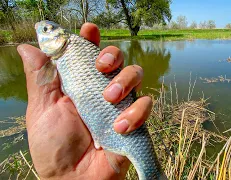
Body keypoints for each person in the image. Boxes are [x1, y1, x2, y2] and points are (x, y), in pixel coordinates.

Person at [17, 23, 152, 179]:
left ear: (62, 38)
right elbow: (42, 80)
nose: (39, 29)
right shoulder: (56, 61)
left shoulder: (72, 46)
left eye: (47, 29)